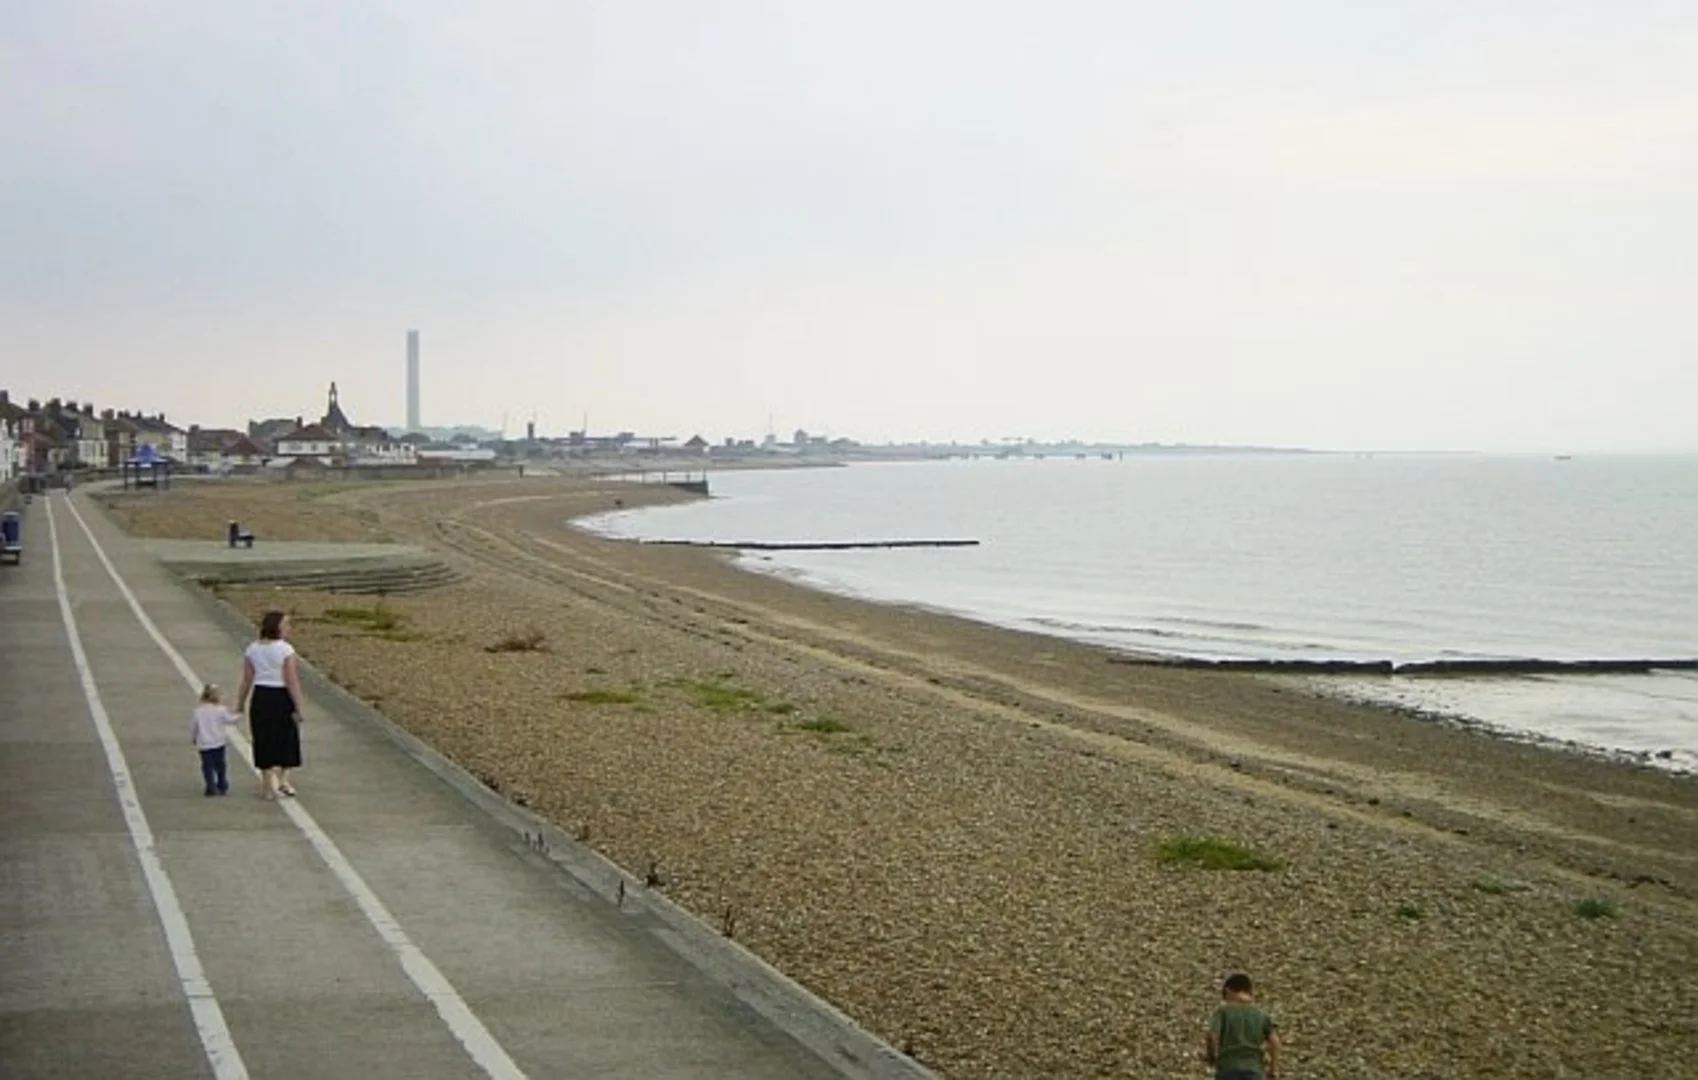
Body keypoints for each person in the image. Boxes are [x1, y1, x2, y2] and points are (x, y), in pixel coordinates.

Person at [237, 610, 305, 799]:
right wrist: (298, 706)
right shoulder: (285, 650)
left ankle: (267, 785)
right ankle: (284, 779)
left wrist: (240, 703)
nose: (288, 628)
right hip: (281, 696)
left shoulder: (252, 649)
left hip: (261, 696)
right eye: (286, 624)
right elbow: (291, 680)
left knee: (263, 737)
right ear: (277, 627)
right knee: (287, 737)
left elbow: (247, 680)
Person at [1201, 973, 1280, 1080]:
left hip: (1228, 1068)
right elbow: (1274, 1042)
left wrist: (1213, 1057)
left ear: (1228, 991)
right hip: (1254, 1069)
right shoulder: (1261, 1014)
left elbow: (1212, 1035)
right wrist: (1273, 1069)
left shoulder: (1223, 1012)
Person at [190, 684, 241, 796]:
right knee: (220, 765)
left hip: (204, 744)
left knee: (207, 766)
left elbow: (194, 727)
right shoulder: (220, 710)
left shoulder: (198, 712)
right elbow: (230, 720)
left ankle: (210, 786)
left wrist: (194, 738)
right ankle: (222, 783)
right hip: (218, 742)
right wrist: (239, 714)